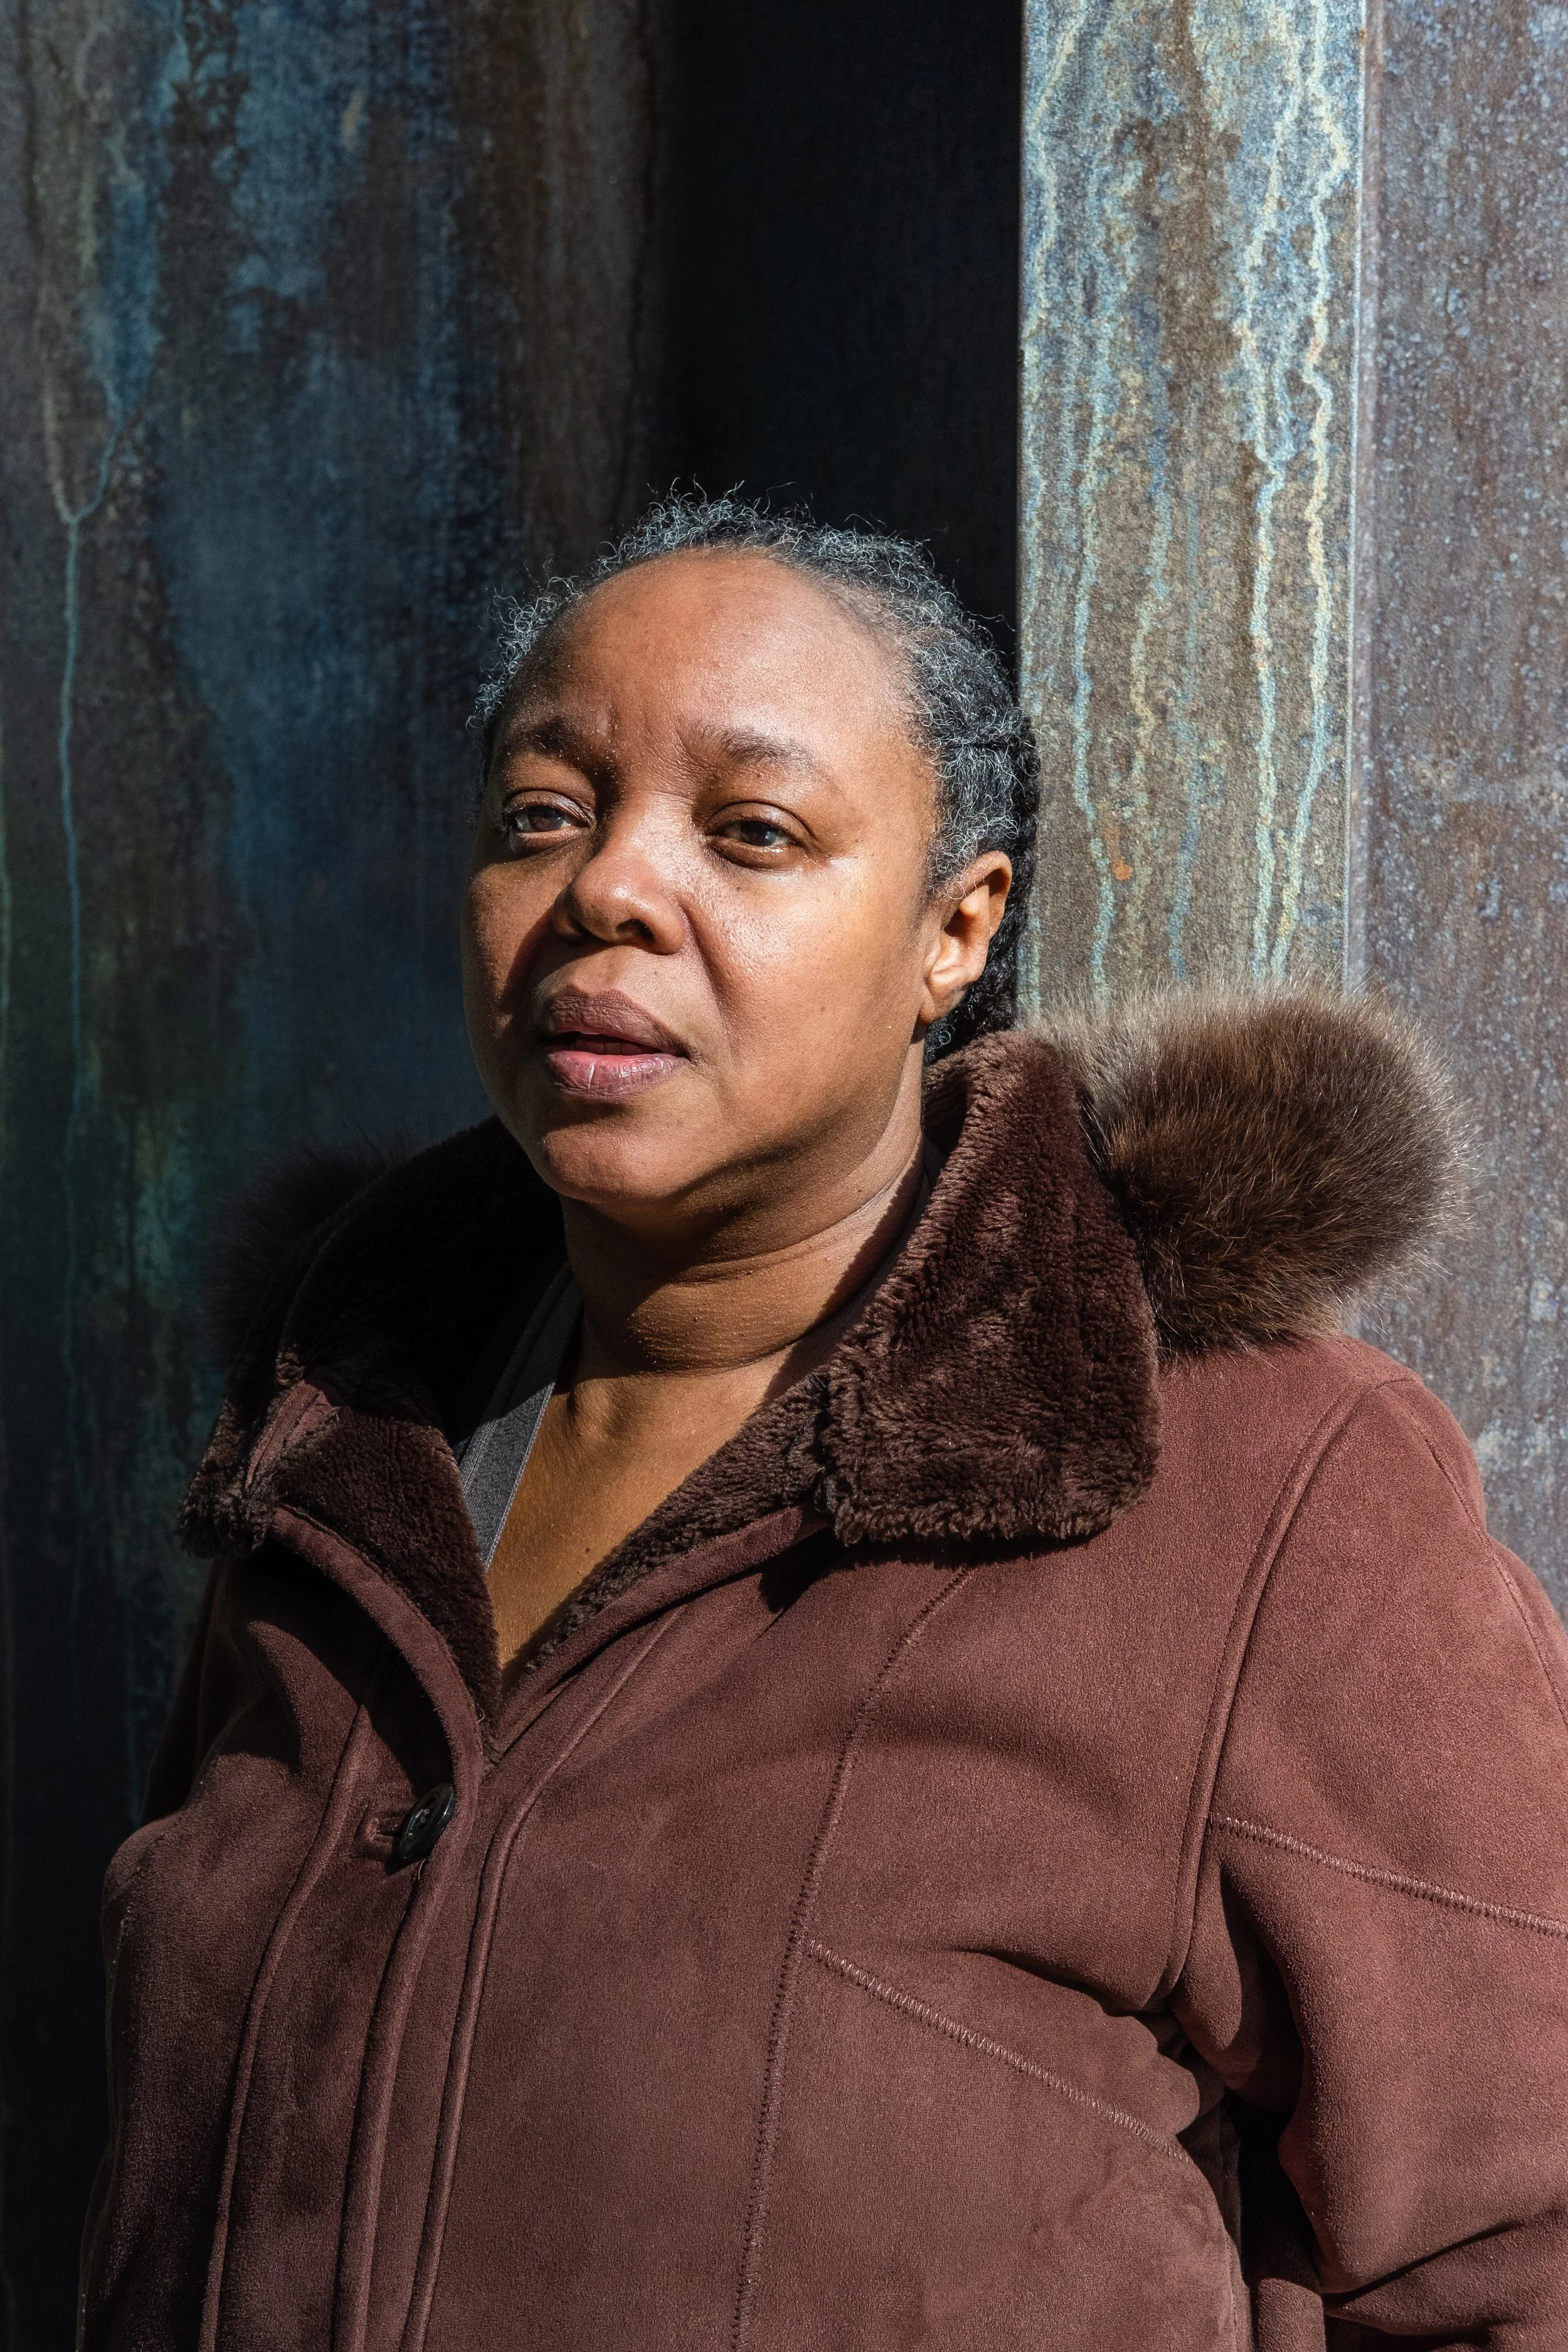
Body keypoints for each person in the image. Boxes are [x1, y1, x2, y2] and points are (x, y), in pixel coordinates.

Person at [82, 497, 1568, 2351]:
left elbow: (1521, 2247)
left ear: (957, 929)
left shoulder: (1254, 1482)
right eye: (541, 814)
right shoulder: (338, 1443)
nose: (610, 891)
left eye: (752, 829)